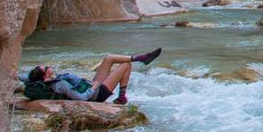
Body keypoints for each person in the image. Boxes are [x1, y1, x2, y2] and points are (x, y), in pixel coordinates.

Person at [25, 49, 161, 105]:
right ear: (45, 78)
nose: (49, 67)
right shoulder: (60, 85)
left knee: (109, 58)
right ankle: (122, 97)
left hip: (91, 85)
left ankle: (141, 58)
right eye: (46, 68)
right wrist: (94, 87)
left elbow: (26, 78)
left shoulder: (51, 81)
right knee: (126, 66)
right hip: (95, 94)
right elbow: (81, 98)